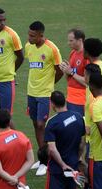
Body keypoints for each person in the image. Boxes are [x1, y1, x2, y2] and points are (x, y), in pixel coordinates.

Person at [44, 91, 85, 189]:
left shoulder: (52, 123)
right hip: (73, 166)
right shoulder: (78, 117)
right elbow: (82, 142)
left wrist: (62, 164)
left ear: (52, 104)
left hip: (58, 169)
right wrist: (79, 158)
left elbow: (52, 150)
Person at [25, 21, 63, 176]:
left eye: (32, 35)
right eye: (29, 34)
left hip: (45, 94)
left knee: (42, 124)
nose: (29, 38)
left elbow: (59, 70)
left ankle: (45, 160)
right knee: (35, 124)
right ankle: (42, 157)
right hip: (31, 92)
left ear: (41, 35)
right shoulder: (29, 47)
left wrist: (50, 84)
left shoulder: (52, 49)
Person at [59, 29, 88, 115]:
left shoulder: (86, 56)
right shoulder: (73, 53)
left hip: (81, 100)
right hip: (70, 98)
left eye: (71, 40)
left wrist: (71, 72)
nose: (68, 43)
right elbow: (69, 78)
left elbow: (87, 82)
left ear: (80, 40)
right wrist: (65, 70)